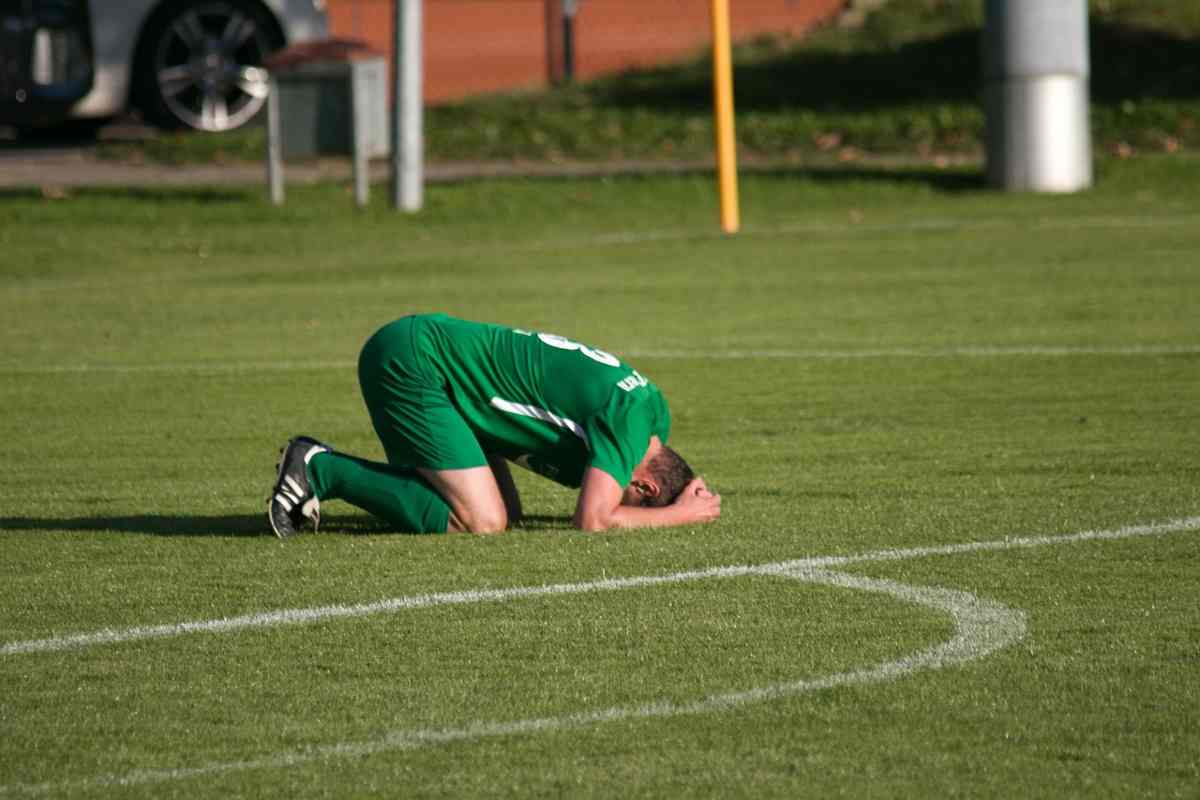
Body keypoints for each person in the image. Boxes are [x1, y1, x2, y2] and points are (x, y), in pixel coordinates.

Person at [268, 313, 721, 536]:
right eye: (637, 502)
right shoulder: (630, 425)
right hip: (417, 364)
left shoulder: (652, 415)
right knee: (481, 520)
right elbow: (593, 520)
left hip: (441, 372)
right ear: (645, 489)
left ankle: (353, 477)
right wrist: (679, 515)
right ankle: (319, 468)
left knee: (505, 512)